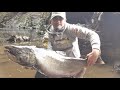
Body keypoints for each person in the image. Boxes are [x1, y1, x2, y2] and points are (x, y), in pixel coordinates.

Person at [35, 12, 105, 78]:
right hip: (57, 62)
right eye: (55, 19)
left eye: (60, 19)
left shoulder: (72, 29)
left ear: (65, 20)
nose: (58, 21)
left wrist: (96, 50)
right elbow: (47, 51)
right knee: (39, 73)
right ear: (51, 21)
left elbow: (92, 34)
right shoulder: (47, 35)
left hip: (75, 63)